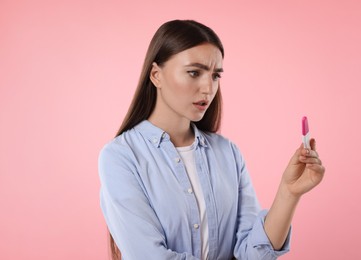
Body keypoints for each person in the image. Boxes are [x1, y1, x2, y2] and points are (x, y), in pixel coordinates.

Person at [98, 19, 325, 260]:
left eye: (215, 75)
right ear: (156, 75)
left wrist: (289, 193)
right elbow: (149, 256)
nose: (208, 87)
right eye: (194, 72)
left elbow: (251, 253)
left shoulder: (228, 153)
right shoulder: (120, 157)